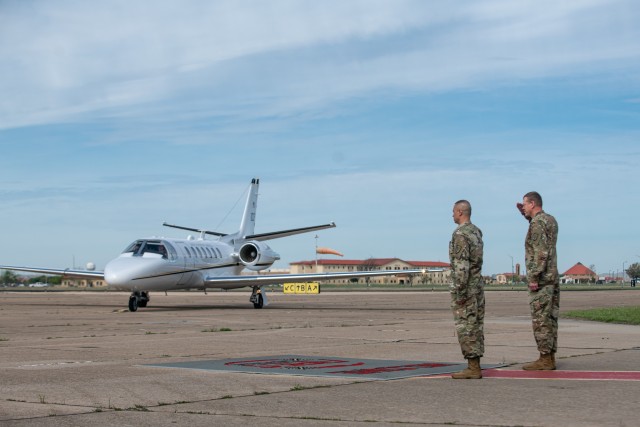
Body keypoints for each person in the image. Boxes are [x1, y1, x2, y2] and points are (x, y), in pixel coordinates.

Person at [518, 191, 559, 370]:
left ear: (533, 203)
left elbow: (540, 250)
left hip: (541, 280)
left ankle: (544, 358)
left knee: (541, 320)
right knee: (550, 319)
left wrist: (534, 275)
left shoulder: (537, 224)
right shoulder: (550, 220)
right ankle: (550, 356)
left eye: (525, 204)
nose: (524, 207)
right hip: (552, 277)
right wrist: (527, 218)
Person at [449, 200, 485, 379]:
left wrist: (460, 290)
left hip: (467, 286)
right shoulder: (476, 232)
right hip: (477, 285)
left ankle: (473, 367)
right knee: (476, 325)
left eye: (454, 211)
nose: (452, 215)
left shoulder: (460, 234)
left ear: (460, 212)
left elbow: (461, 265)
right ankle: (475, 364)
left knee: (467, 326)